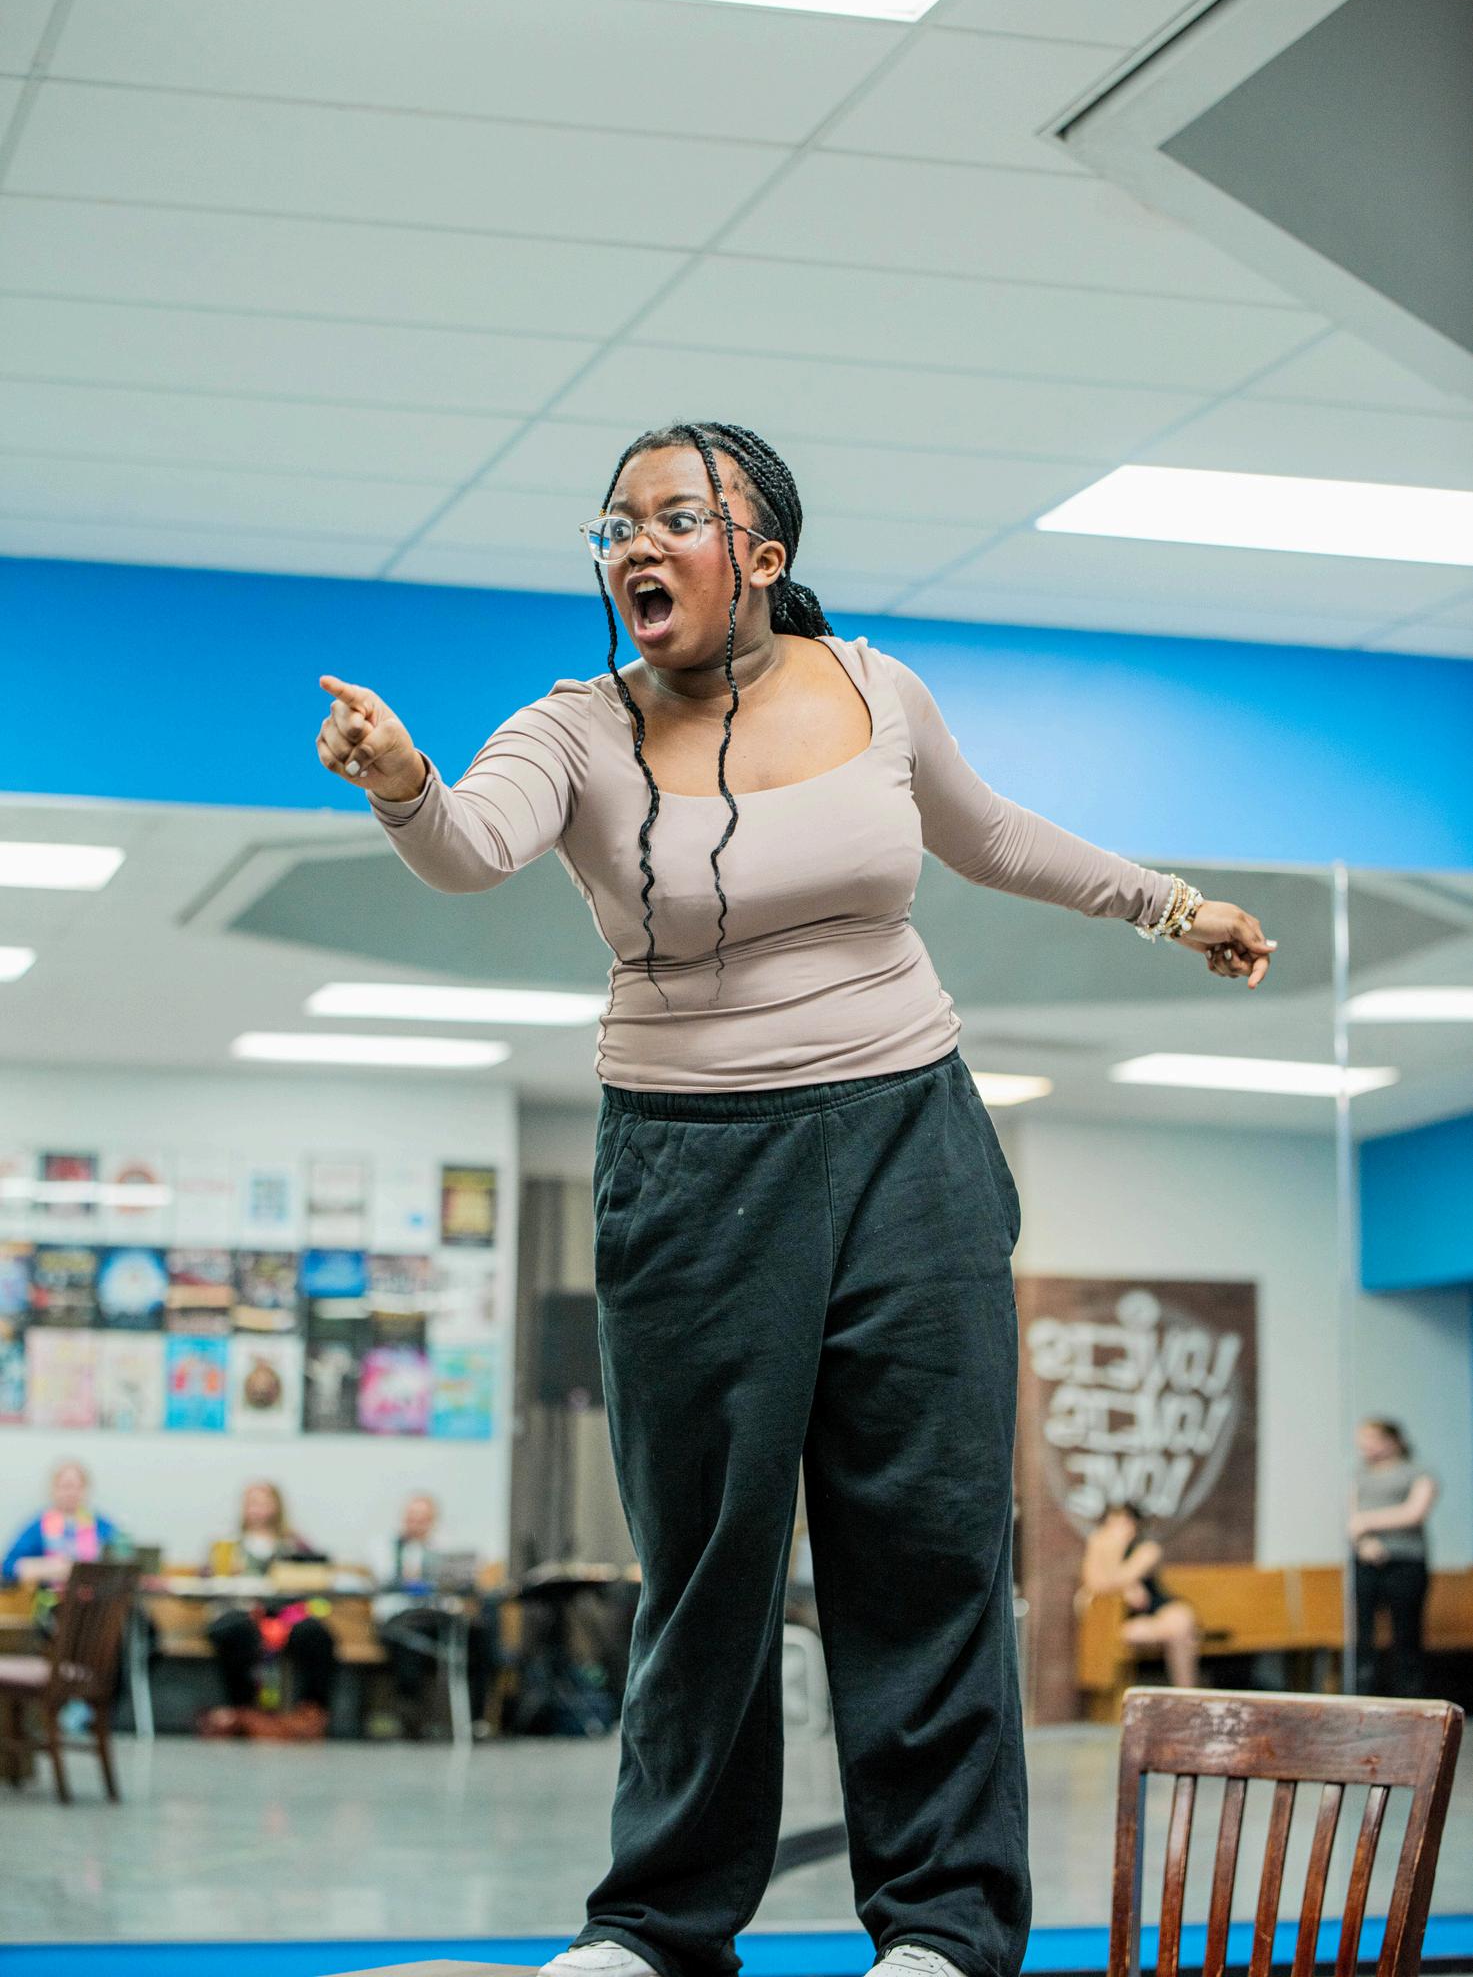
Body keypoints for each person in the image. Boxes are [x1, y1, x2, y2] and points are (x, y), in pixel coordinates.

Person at [315, 420, 1275, 1977]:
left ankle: (942, 1929)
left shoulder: (877, 689)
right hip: (689, 1168)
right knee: (708, 1562)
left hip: (909, 1139)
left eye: (674, 516)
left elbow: (993, 836)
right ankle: (657, 1928)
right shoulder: (571, 728)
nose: (635, 543)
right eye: (614, 525)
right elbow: (473, 848)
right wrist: (404, 780)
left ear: (760, 555)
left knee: (930, 1544)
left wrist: (1171, 906)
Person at [202, 1481, 338, 1735]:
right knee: (234, 1630)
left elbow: (315, 1585)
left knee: (316, 1634)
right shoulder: (227, 1545)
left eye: (263, 1502)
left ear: (276, 1506)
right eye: (252, 1503)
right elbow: (209, 1582)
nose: (257, 1509)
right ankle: (244, 1709)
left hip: (285, 1613)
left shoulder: (295, 1544)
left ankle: (311, 1711)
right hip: (241, 1610)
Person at [369, 1491, 497, 1737]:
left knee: (480, 1634)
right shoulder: (386, 1547)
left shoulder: (445, 1548)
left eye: (423, 1518)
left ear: (433, 1521)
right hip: (400, 1618)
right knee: (410, 1641)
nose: (416, 1524)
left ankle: (476, 1720)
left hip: (438, 1617)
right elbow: (384, 1582)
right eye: (412, 1517)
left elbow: (458, 1586)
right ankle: (410, 1723)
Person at [1349, 1418, 1438, 1697]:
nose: (1365, 1446)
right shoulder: (1360, 1474)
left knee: (1406, 1633)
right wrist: (1363, 1542)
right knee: (1364, 1634)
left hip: (1406, 1562)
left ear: (1392, 1440)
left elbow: (1415, 1512)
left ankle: (1409, 1696)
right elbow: (1351, 1517)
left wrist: (1367, 1521)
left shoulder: (1417, 1472)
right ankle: (1364, 1695)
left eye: (1372, 1438)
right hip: (1367, 1561)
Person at [1079, 1503, 1200, 1688]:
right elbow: (1095, 1584)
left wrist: (1125, 1583)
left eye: (1123, 1523)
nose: (1116, 1531)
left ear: (1134, 1525)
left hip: (1156, 1608)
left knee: (1180, 1622)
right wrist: (1110, 1551)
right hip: (1123, 1619)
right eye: (1112, 1525)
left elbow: (1121, 1577)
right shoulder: (1100, 1547)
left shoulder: (1147, 1549)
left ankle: (1186, 1692)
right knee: (1140, 1633)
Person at [1, 1459, 120, 1585]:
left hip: (94, 1594)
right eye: (66, 1486)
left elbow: (125, 1558)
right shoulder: (38, 1527)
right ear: (54, 1489)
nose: (71, 1493)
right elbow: (7, 1567)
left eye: (78, 1487)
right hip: (50, 1595)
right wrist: (47, 1568)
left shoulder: (102, 1526)